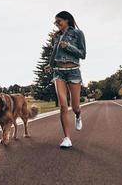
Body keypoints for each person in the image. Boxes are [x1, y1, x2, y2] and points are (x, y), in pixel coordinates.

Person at [44, 11, 86, 148]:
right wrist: (50, 65)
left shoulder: (78, 34)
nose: (56, 25)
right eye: (55, 22)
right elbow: (54, 53)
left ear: (67, 20)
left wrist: (68, 46)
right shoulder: (56, 36)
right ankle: (67, 138)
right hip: (59, 73)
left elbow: (82, 54)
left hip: (73, 72)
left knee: (75, 107)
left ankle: (78, 115)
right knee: (63, 106)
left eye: (59, 21)